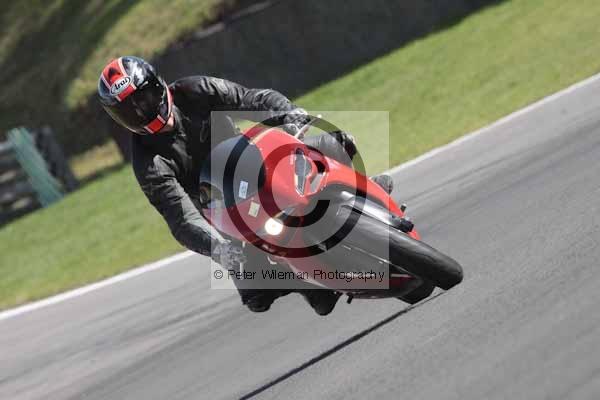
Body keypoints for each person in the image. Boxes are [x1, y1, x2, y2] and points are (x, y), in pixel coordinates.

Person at [98, 56, 392, 315]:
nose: (141, 112)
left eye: (143, 99)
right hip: (223, 208)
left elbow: (252, 99)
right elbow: (180, 218)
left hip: (255, 160)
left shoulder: (195, 90)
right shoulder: (148, 162)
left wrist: (291, 114)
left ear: (157, 85)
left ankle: (364, 188)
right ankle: (306, 281)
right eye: (129, 111)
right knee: (256, 294)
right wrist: (219, 250)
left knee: (335, 142)